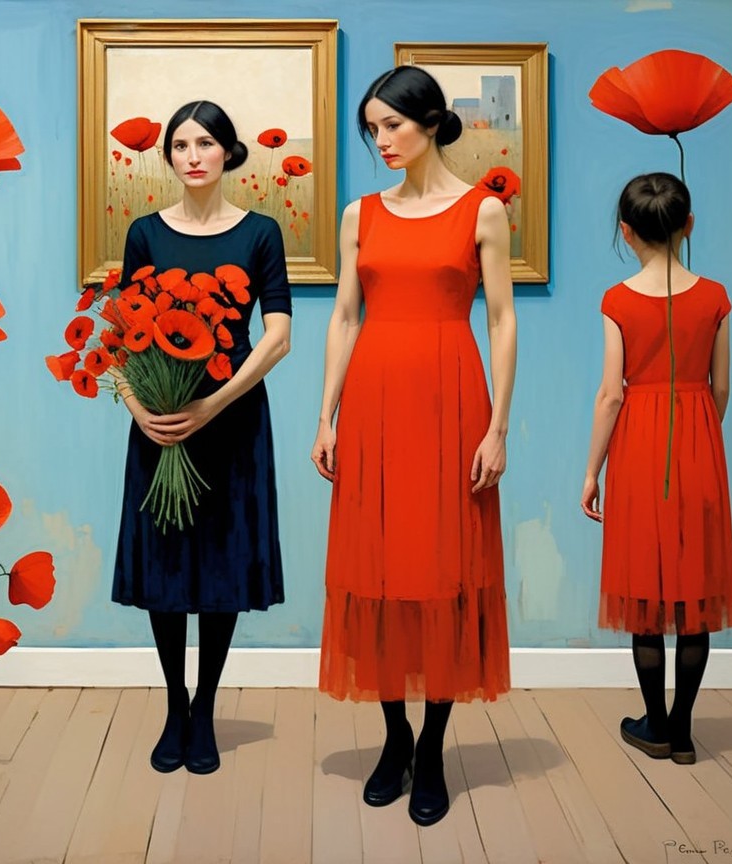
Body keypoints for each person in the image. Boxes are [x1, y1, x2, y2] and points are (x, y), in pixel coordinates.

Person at [311, 66, 516, 826]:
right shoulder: (359, 212)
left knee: (444, 568)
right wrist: (327, 416)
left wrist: (497, 424)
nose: (380, 141)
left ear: (430, 122)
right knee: (379, 567)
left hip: (452, 400)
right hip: (372, 405)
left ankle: (432, 748)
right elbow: (344, 318)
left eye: (391, 125)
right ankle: (394, 737)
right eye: (371, 129)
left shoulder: (483, 211)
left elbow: (499, 320)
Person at [112, 100, 292, 775]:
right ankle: (173, 704)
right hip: (157, 421)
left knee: (219, 567)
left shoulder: (261, 233)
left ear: (229, 154)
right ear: (168, 157)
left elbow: (277, 335)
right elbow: (120, 332)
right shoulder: (144, 233)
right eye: (181, 144)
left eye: (207, 143)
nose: (193, 155)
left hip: (232, 415)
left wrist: (213, 404)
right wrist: (137, 409)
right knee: (164, 568)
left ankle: (206, 709)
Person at [581, 172, 732, 765]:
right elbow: (721, 386)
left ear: (626, 231)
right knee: (694, 591)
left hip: (640, 446)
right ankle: (685, 731)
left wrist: (593, 470)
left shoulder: (617, 300)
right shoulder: (717, 297)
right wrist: (697, 432)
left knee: (645, 590)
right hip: (698, 440)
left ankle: (656, 725)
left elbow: (611, 395)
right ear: (687, 224)